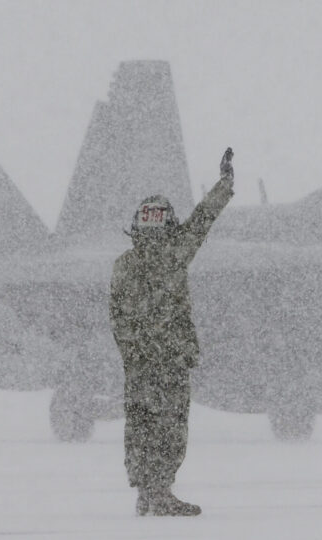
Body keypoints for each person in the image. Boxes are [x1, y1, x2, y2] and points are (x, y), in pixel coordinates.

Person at [109, 148, 235, 516]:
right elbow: (202, 219)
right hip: (169, 360)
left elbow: (116, 316)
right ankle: (160, 491)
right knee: (169, 424)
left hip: (139, 363)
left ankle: (146, 492)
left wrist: (131, 353)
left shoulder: (124, 264)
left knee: (140, 423)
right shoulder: (174, 253)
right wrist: (224, 185)